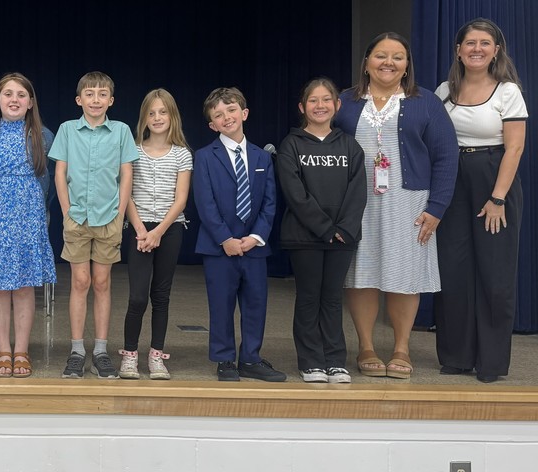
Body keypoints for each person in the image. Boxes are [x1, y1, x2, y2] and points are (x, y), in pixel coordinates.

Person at [334, 33, 458, 380]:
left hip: (409, 202)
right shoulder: (345, 101)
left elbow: (446, 157)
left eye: (398, 57)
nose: (388, 62)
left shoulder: (426, 102)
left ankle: (402, 347)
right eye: (380, 55)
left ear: (407, 66)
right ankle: (366, 346)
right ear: (366, 62)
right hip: (357, 203)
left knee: (405, 276)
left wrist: (436, 208)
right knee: (362, 273)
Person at [435, 19, 527, 383]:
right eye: (469, 43)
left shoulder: (508, 92)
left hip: (493, 180)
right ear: (458, 50)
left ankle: (491, 362)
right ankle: (456, 356)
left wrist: (497, 198)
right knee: (453, 270)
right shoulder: (443, 90)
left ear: (496, 50)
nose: (476, 48)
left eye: (484, 43)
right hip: (452, 181)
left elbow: (515, 146)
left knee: (494, 274)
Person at [276, 78, 366, 384]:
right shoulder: (292, 145)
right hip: (306, 237)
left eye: (326, 100)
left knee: (332, 299)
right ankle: (311, 361)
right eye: (313, 101)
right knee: (309, 298)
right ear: (302, 107)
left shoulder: (350, 146)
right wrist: (326, 228)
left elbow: (358, 192)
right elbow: (295, 193)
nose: (320, 106)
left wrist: (343, 229)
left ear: (337, 106)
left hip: (342, 237)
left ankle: (335, 360)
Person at [49, 71, 138, 379]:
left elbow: (126, 175)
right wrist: (66, 211)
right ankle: (76, 350)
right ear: (79, 100)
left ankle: (100, 350)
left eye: (102, 94)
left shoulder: (122, 131)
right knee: (80, 282)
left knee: (102, 282)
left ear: (110, 100)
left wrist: (120, 213)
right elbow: (60, 173)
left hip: (109, 216)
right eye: (90, 94)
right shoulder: (67, 130)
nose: (96, 99)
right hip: (77, 217)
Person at [193, 87, 285, 382]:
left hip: (254, 246)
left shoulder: (261, 157)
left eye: (231, 110)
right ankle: (224, 360)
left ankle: (251, 358)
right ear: (212, 125)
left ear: (244, 113)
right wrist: (226, 238)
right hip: (220, 246)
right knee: (221, 303)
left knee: (255, 303)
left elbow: (270, 202)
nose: (226, 117)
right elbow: (205, 203)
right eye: (218, 115)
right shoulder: (206, 157)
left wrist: (256, 237)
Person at [0, 73, 56, 378]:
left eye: (21, 95)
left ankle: (21, 350)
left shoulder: (44, 136)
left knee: (23, 285)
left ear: (30, 102)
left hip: (29, 214)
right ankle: (3, 350)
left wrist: (40, 214)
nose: (14, 100)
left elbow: (50, 182)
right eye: (8, 94)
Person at [118, 88, 192, 380]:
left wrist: (159, 231)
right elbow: (127, 195)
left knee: (161, 295)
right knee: (137, 297)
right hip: (138, 229)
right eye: (152, 113)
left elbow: (181, 199)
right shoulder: (132, 151)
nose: (157, 117)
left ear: (172, 116)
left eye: (163, 112)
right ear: (144, 118)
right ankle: (129, 354)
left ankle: (157, 356)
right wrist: (141, 231)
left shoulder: (182, 154)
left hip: (170, 229)